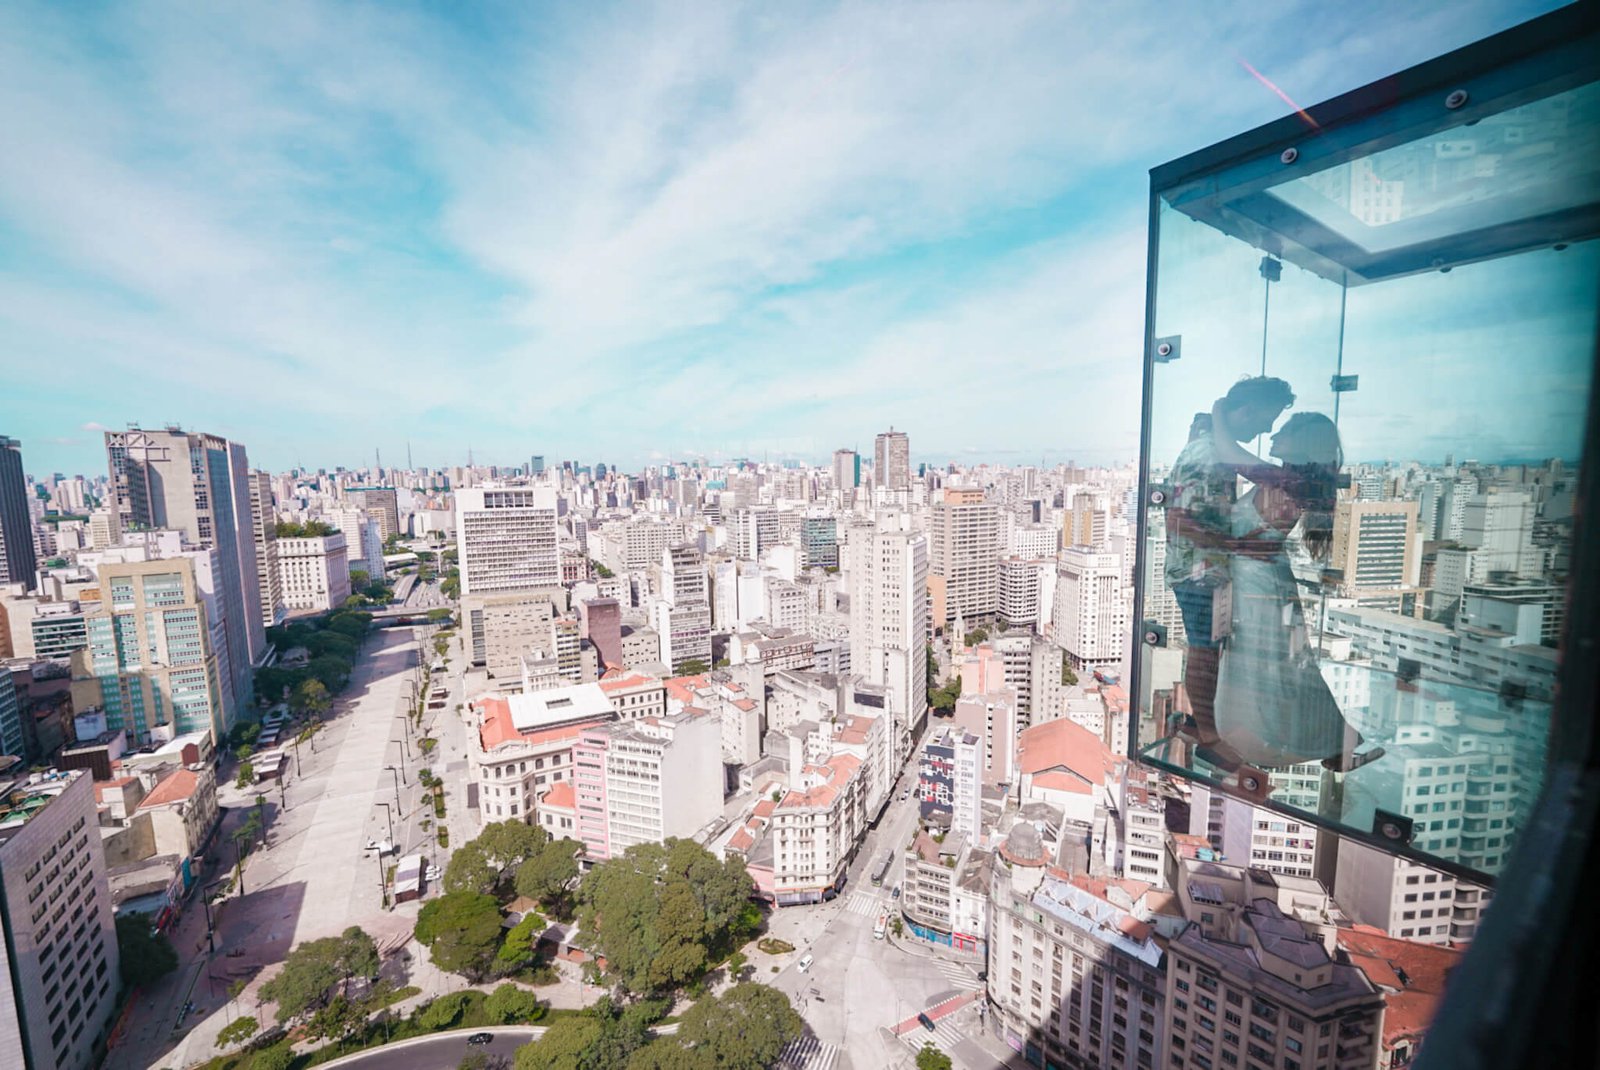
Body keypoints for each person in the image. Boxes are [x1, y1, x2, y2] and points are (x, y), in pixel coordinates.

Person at [1210, 412, 1381, 772]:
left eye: (1284, 432)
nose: (1273, 436)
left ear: (1302, 443)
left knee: (1268, 665)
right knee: (1281, 666)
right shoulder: (1290, 479)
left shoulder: (1285, 478)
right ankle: (1336, 742)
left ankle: (1306, 741)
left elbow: (1228, 451)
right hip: (1259, 579)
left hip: (1258, 584)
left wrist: (1218, 411)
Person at [1164, 376, 1296, 765]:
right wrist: (1238, 546)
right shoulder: (1207, 455)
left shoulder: (1216, 450)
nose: (1267, 428)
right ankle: (1208, 734)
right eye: (1267, 417)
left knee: (1211, 650)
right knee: (1204, 653)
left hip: (1208, 569)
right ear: (1248, 409)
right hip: (1198, 571)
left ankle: (1209, 727)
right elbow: (1178, 519)